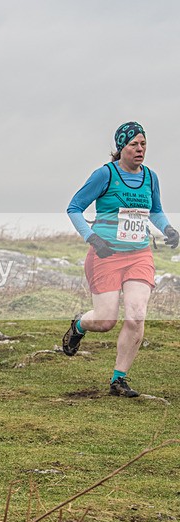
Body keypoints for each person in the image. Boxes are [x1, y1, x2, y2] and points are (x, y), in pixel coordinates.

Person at [64, 121, 178, 398]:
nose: (140, 149)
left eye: (143, 144)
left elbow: (156, 211)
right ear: (121, 148)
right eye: (134, 145)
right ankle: (79, 325)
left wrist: (168, 229)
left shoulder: (150, 177)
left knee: (137, 314)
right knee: (105, 321)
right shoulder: (105, 175)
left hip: (139, 254)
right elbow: (74, 208)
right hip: (106, 254)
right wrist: (92, 238)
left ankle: (119, 379)